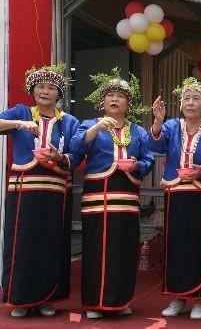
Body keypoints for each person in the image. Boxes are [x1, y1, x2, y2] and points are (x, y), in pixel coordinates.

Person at [70, 68, 154, 319]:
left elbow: (148, 159)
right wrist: (95, 129)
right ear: (102, 102)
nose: (115, 99)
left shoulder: (138, 131)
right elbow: (74, 148)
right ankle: (95, 303)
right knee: (96, 248)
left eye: (120, 95)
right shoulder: (88, 124)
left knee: (125, 248)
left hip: (127, 199)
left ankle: (120, 301)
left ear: (129, 103)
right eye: (110, 95)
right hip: (97, 198)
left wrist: (137, 165)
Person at [0, 64, 81, 317]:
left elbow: (76, 155)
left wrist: (60, 156)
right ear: (32, 90)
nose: (45, 91)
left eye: (51, 88)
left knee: (50, 243)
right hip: (24, 190)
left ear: (59, 94)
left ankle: (47, 297)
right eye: (40, 87)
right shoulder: (22, 112)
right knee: (22, 243)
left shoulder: (68, 121)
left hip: (55, 191)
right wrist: (20, 125)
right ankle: (21, 299)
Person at [149, 78, 201, 320]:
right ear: (180, 104)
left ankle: (200, 298)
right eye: (186, 99)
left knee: (200, 246)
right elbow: (156, 144)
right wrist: (158, 121)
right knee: (175, 246)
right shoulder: (172, 126)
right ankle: (178, 297)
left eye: (196, 99)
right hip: (176, 193)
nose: (190, 103)